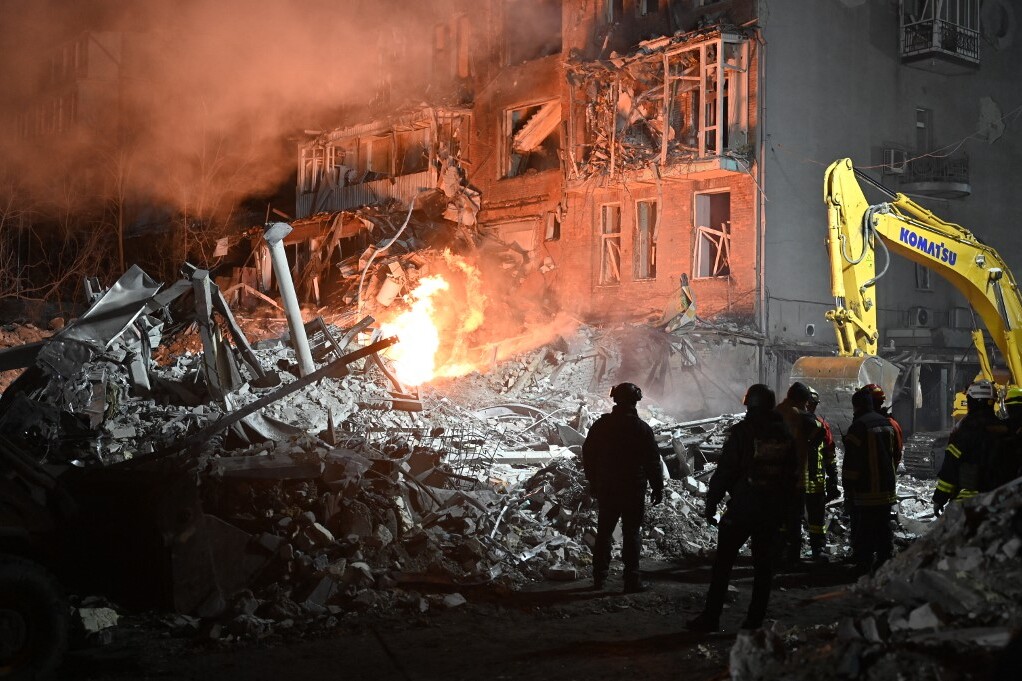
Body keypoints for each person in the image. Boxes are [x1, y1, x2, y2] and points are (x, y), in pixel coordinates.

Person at [687, 384, 798, 632]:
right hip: (771, 511)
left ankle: (711, 618)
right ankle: (754, 621)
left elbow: (726, 471)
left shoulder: (743, 432)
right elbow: (792, 476)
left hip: (743, 508)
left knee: (723, 564)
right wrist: (787, 514)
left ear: (751, 404)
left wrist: (712, 502)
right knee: (763, 568)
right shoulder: (784, 433)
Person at [582, 382, 664, 593]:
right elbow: (653, 461)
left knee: (604, 532)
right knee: (632, 533)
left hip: (608, 487)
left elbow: (588, 454)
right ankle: (631, 580)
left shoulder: (602, 425)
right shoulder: (641, 429)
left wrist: (593, 481)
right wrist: (657, 487)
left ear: (616, 399)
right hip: (633, 489)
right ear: (636, 400)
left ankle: (599, 578)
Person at [842, 388, 898, 575]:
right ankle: (884, 562)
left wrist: (848, 488)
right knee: (883, 526)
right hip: (886, 487)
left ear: (856, 406)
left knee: (864, 528)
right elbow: (894, 454)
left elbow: (852, 462)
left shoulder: (858, 426)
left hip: (866, 489)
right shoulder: (887, 423)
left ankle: (863, 564)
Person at [933, 380, 1008, 513]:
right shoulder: (1005, 429)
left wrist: (939, 498)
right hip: (1000, 502)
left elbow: (951, 466)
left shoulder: (965, 430)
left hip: (968, 504)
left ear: (974, 401)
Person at [774, 381, 822, 563]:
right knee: (794, 518)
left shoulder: (776, 412)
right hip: (794, 475)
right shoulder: (800, 416)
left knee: (779, 517)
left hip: (774, 476)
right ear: (802, 400)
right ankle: (792, 557)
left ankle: (777, 553)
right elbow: (818, 429)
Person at [804, 388, 841, 561]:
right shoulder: (817, 425)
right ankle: (814, 550)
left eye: (813, 405)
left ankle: (815, 549)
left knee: (814, 518)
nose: (811, 407)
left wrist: (833, 478)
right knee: (809, 518)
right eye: (810, 404)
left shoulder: (820, 425)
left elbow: (829, 453)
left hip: (804, 480)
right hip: (806, 480)